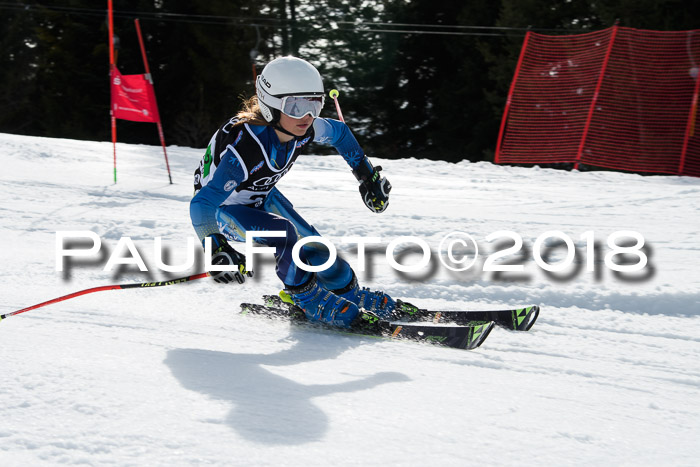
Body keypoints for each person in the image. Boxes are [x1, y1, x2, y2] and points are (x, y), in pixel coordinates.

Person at [190, 56, 394, 329]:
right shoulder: (246, 150)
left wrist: (367, 176)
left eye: (314, 104)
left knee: (320, 253)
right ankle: (309, 300)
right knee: (284, 234)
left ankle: (349, 294)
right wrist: (214, 246)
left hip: (262, 197)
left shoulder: (302, 128)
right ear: (271, 105)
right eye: (296, 106)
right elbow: (201, 203)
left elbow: (341, 134)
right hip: (222, 211)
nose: (307, 116)